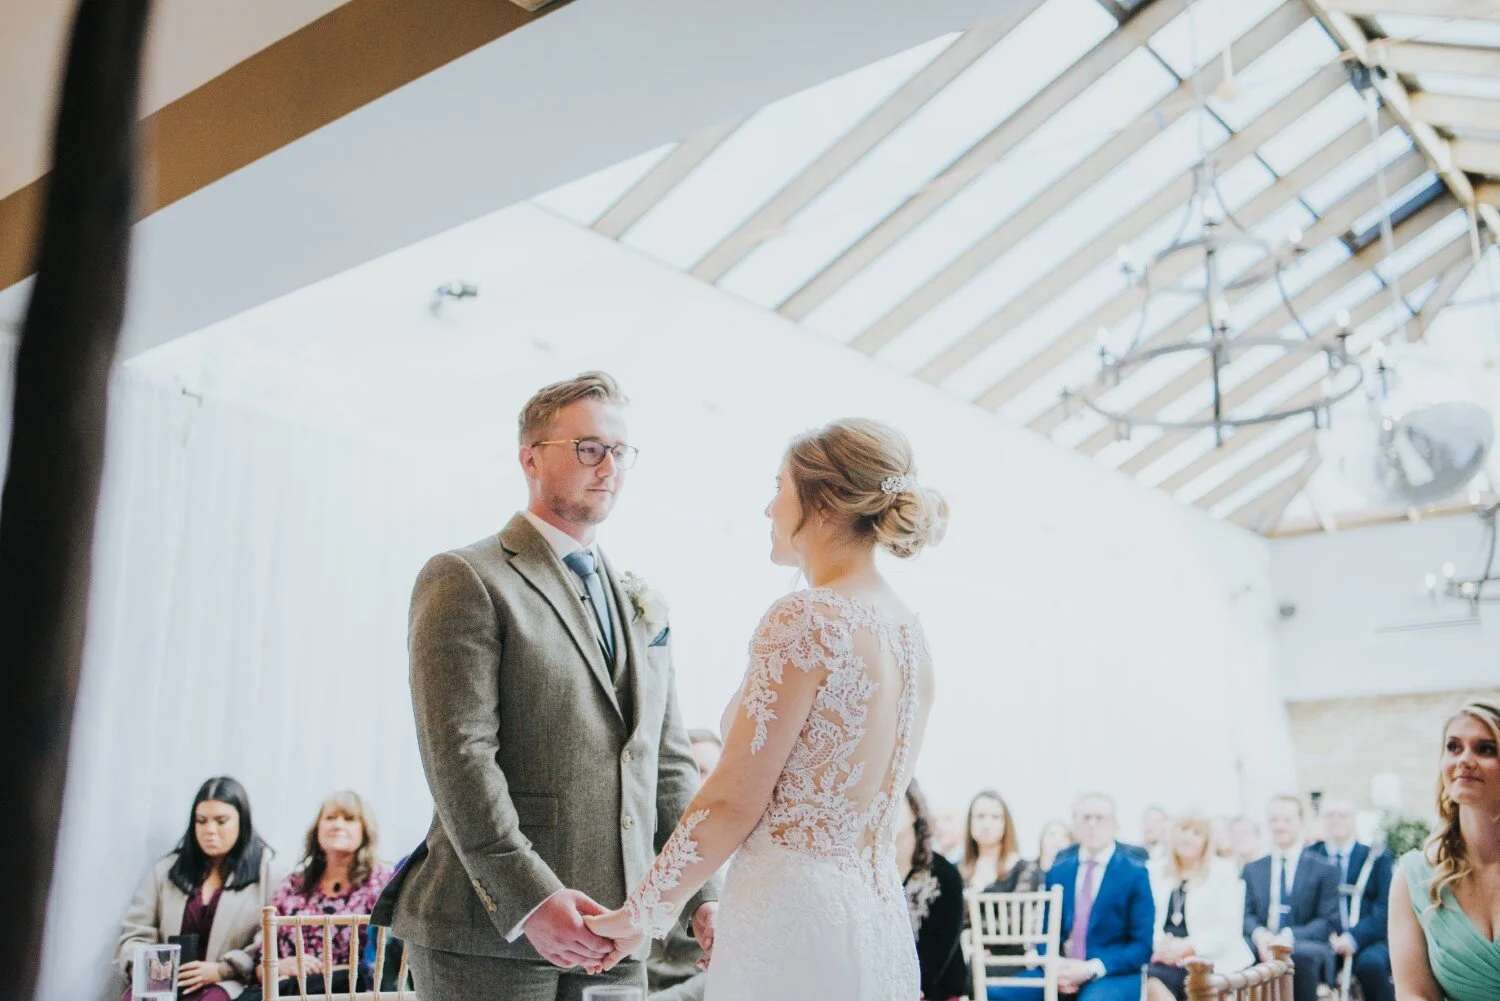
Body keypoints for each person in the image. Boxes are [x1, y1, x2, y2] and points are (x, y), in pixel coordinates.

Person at [375, 372, 718, 1001]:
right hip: (489, 935)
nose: (609, 466)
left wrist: (701, 896)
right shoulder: (468, 577)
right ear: (530, 458)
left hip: (617, 933)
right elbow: (459, 758)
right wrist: (532, 900)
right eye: (589, 448)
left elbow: (668, 765)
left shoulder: (641, 602)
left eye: (620, 451)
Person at [585, 417, 946, 1001]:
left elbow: (733, 798)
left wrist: (640, 914)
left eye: (779, 487)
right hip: (874, 922)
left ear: (822, 504)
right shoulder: (911, 635)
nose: (768, 508)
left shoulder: (807, 619)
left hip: (792, 921)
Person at [115, 777, 278, 1001]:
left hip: (226, 984)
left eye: (221, 821)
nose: (210, 830)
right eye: (201, 821)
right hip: (163, 981)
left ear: (242, 821)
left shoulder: (269, 873)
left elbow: (268, 940)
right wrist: (144, 968)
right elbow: (136, 931)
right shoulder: (166, 870)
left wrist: (222, 969)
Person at [989, 793, 1154, 1001]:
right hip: (1060, 968)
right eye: (1086, 818)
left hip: (1110, 974)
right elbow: (1046, 932)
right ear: (1075, 824)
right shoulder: (1059, 870)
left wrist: (1090, 968)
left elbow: (1142, 946)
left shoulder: (1134, 873)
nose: (1092, 824)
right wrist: (1054, 964)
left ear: (1114, 825)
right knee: (995, 994)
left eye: (1100, 818)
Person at [1390, 700, 1500, 1000]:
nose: (1464, 759)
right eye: (1453, 747)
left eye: (1485, 749)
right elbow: (1413, 993)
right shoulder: (1414, 877)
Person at [244, 792, 394, 1001]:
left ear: (365, 830)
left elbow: (388, 961)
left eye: (349, 819)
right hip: (286, 990)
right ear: (317, 829)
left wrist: (323, 971)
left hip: (351, 992)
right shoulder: (293, 884)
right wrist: (282, 966)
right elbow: (260, 967)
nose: (338, 825)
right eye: (330, 818)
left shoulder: (383, 883)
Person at [647, 730, 724, 1001]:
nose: (690, 783)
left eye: (701, 771)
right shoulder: (644, 849)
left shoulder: (740, 864)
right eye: (685, 772)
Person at [1144, 812, 1252, 1000]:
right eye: (1183, 829)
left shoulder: (1224, 872)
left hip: (1209, 960)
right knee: (1147, 979)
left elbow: (1227, 930)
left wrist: (1188, 947)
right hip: (1162, 958)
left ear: (1206, 841)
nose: (1187, 837)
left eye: (1196, 833)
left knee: (1163, 979)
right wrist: (1160, 947)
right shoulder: (1153, 870)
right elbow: (1143, 920)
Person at [1241, 796, 1339, 1001]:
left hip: (1304, 943)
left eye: (1287, 820)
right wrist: (1260, 935)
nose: (1280, 826)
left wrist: (1287, 936)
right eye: (1274, 820)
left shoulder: (1324, 868)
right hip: (1261, 941)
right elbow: (1245, 914)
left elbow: (1327, 921)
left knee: (1298, 957)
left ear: (1301, 822)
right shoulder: (1253, 869)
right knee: (1239, 952)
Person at [1306, 797, 1393, 1001]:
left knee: (1372, 965)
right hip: (1322, 939)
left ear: (1354, 820)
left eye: (1342, 815)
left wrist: (1354, 937)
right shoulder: (1309, 856)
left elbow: (1384, 908)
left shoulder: (1376, 858)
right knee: (1305, 963)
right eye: (1330, 815)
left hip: (1366, 939)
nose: (1336, 820)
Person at [900, 780, 966, 1001]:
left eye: (895, 799)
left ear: (914, 809)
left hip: (935, 991)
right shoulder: (867, 872)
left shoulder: (944, 875)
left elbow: (939, 952)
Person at [961, 791, 1043, 893]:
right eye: (980, 816)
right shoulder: (955, 871)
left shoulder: (1026, 871)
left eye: (995, 817)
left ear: (1006, 824)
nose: (987, 825)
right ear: (970, 822)